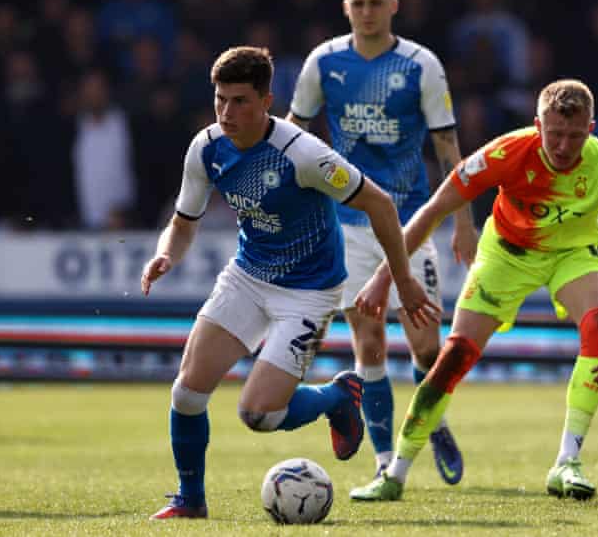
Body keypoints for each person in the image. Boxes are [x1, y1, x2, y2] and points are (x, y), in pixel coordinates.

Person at [143, 46, 438, 519]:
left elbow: (381, 205)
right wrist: (165, 254)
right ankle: (190, 500)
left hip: (309, 290)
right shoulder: (207, 146)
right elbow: (183, 220)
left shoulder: (302, 153)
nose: (227, 112)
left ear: (266, 100)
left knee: (258, 415)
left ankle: (339, 395)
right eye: (220, 100)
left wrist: (402, 279)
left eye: (240, 101)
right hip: (248, 276)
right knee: (187, 392)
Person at [350, 79, 598, 501]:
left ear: (591, 129)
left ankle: (567, 462)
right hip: (506, 255)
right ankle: (395, 473)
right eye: (555, 134)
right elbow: (435, 208)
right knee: (453, 356)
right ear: (537, 125)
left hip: (575, 255)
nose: (564, 146)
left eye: (575, 136)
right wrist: (385, 278)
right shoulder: (506, 151)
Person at [287, 0, 478, 487]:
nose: (367, 12)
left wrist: (463, 220)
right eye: (359, 3)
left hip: (410, 222)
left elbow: (445, 143)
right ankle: (384, 460)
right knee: (367, 342)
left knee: (424, 348)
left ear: (394, 5)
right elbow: (293, 133)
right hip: (346, 224)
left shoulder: (421, 65)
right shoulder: (323, 63)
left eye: (376, 2)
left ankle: (430, 422)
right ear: (345, 7)